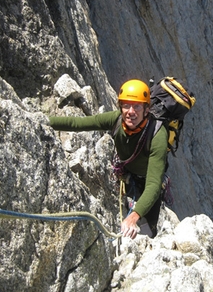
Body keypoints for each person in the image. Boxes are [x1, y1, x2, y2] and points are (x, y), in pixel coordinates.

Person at [49, 79, 168, 239]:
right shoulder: (117, 119)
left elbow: (153, 184)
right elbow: (78, 123)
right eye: (126, 105)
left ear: (147, 110)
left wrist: (133, 217)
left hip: (148, 179)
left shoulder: (157, 135)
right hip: (126, 172)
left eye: (137, 106)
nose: (130, 111)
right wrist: (44, 121)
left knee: (148, 231)